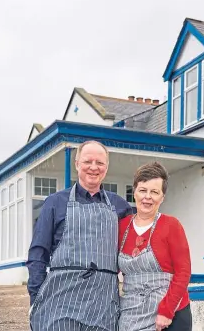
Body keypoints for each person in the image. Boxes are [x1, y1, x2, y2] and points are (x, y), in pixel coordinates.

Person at [27, 140, 133, 331]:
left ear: (106, 167)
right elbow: (38, 253)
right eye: (87, 161)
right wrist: (36, 297)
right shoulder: (54, 202)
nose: (94, 167)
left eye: (100, 163)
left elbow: (131, 256)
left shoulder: (121, 207)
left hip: (103, 307)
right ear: (77, 164)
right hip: (59, 304)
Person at [118, 161, 192, 331]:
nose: (148, 197)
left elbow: (183, 272)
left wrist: (166, 311)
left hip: (170, 317)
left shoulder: (172, 225)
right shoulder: (121, 227)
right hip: (130, 313)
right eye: (143, 190)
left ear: (162, 197)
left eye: (155, 192)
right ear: (134, 192)